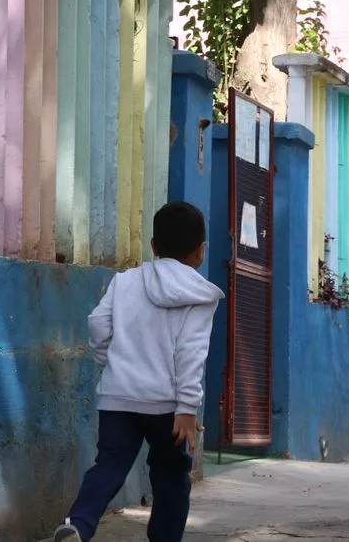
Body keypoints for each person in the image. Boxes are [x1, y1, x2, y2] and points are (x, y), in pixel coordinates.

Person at [55, 202, 225, 542]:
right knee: (172, 475)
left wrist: (111, 366)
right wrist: (187, 407)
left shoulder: (125, 281)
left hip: (118, 398)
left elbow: (98, 325)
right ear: (201, 251)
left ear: (153, 245)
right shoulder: (200, 295)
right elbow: (191, 353)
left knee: (109, 465)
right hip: (166, 406)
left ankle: (78, 523)